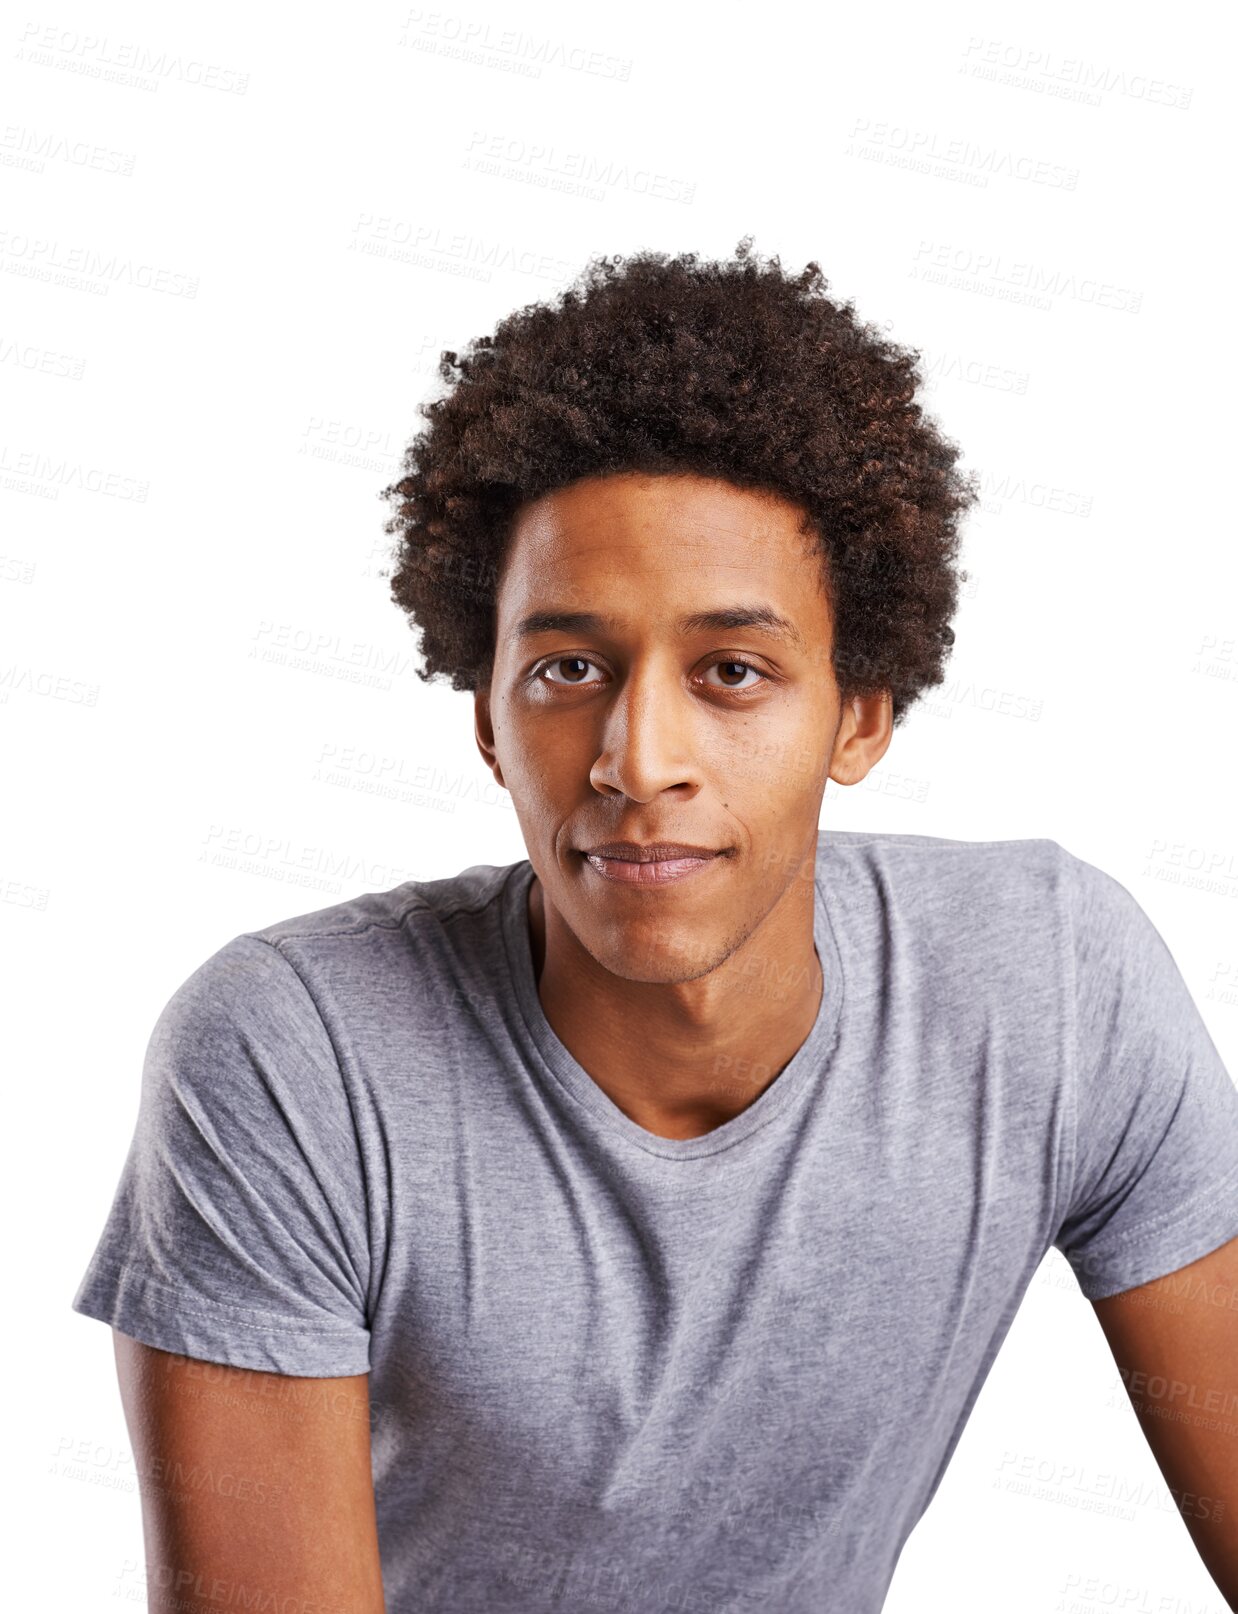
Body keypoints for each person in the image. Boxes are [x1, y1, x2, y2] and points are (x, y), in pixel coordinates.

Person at [72, 240, 1238, 1612]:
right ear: (490, 723)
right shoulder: (296, 1054)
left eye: (731, 672)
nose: (637, 757)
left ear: (858, 714)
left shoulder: (1049, 984)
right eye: (568, 668)